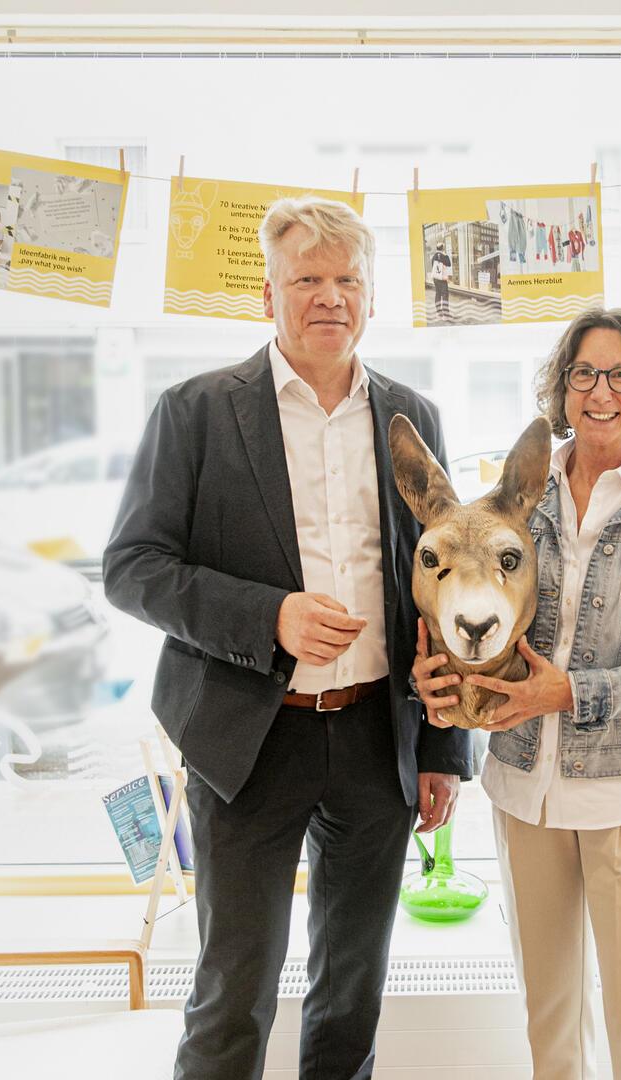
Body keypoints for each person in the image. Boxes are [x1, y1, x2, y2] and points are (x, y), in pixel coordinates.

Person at [105, 195, 471, 1080]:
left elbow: (449, 585)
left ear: (372, 300)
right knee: (234, 990)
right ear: (267, 295)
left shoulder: (411, 414)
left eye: (347, 279)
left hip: (375, 740)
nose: (329, 297)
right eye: (306, 278)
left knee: (352, 993)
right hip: (246, 740)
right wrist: (268, 618)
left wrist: (443, 749)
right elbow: (133, 567)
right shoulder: (194, 411)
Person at [413, 307, 621, 1079]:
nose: (601, 391)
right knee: (550, 1032)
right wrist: (437, 682)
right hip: (526, 793)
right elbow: (467, 617)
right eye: (584, 372)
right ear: (561, 386)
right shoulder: (510, 502)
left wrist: (574, 694)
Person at [429, 245, 453, 320]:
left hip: (436, 278)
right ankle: (445, 315)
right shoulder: (443, 256)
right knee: (445, 295)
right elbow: (449, 264)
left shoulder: (434, 256)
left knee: (438, 294)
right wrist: (445, 255)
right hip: (442, 278)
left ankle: (439, 314)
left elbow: (433, 266)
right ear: (442, 248)